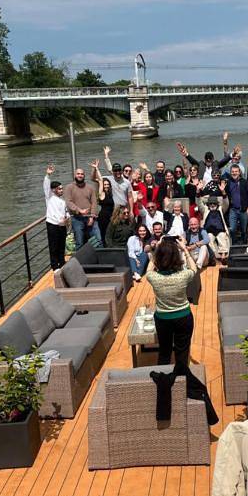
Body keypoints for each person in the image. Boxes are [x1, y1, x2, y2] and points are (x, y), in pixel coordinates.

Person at [145, 235, 197, 366]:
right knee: (182, 352)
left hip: (163, 318)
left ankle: (163, 377)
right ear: (176, 257)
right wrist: (185, 249)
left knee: (164, 352)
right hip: (183, 317)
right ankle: (182, 375)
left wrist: (157, 248)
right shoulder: (183, 276)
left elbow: (149, 269)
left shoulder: (153, 277)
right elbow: (193, 269)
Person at [64, 167, 99, 250]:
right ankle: (80, 258)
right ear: (75, 175)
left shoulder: (90, 187)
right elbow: (68, 202)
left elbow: (94, 203)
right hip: (76, 218)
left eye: (82, 174)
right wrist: (80, 210)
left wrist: (92, 216)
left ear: (84, 176)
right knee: (79, 242)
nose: (80, 175)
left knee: (98, 240)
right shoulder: (69, 187)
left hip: (90, 218)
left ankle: (99, 257)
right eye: (78, 174)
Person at [43, 164, 69, 270]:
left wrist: (66, 218)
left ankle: (62, 262)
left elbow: (65, 211)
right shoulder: (50, 197)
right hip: (52, 225)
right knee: (53, 246)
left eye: (62, 188)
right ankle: (54, 266)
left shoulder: (62, 200)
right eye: (59, 189)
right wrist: (48, 175)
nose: (62, 190)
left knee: (61, 245)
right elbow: (46, 186)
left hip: (62, 225)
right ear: (54, 190)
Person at [226, 163, 248, 245]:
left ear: (239, 172)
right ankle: (234, 246)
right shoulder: (228, 183)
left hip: (243, 210)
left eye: (236, 171)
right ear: (230, 172)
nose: (234, 173)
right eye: (232, 171)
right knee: (232, 229)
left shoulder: (245, 182)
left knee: (244, 230)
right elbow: (225, 195)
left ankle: (244, 246)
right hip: (233, 210)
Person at [102, 146, 134, 211]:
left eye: (130, 171)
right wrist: (106, 155)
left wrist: (131, 211)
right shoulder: (113, 177)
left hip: (125, 208)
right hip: (114, 208)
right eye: (126, 171)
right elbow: (110, 168)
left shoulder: (129, 181)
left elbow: (130, 197)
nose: (128, 172)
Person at [97, 178, 114, 244]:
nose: (106, 186)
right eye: (105, 184)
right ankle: (104, 247)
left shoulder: (110, 194)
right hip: (103, 217)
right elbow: (100, 181)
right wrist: (96, 169)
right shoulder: (102, 194)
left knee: (110, 232)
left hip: (110, 216)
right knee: (104, 232)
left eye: (108, 184)